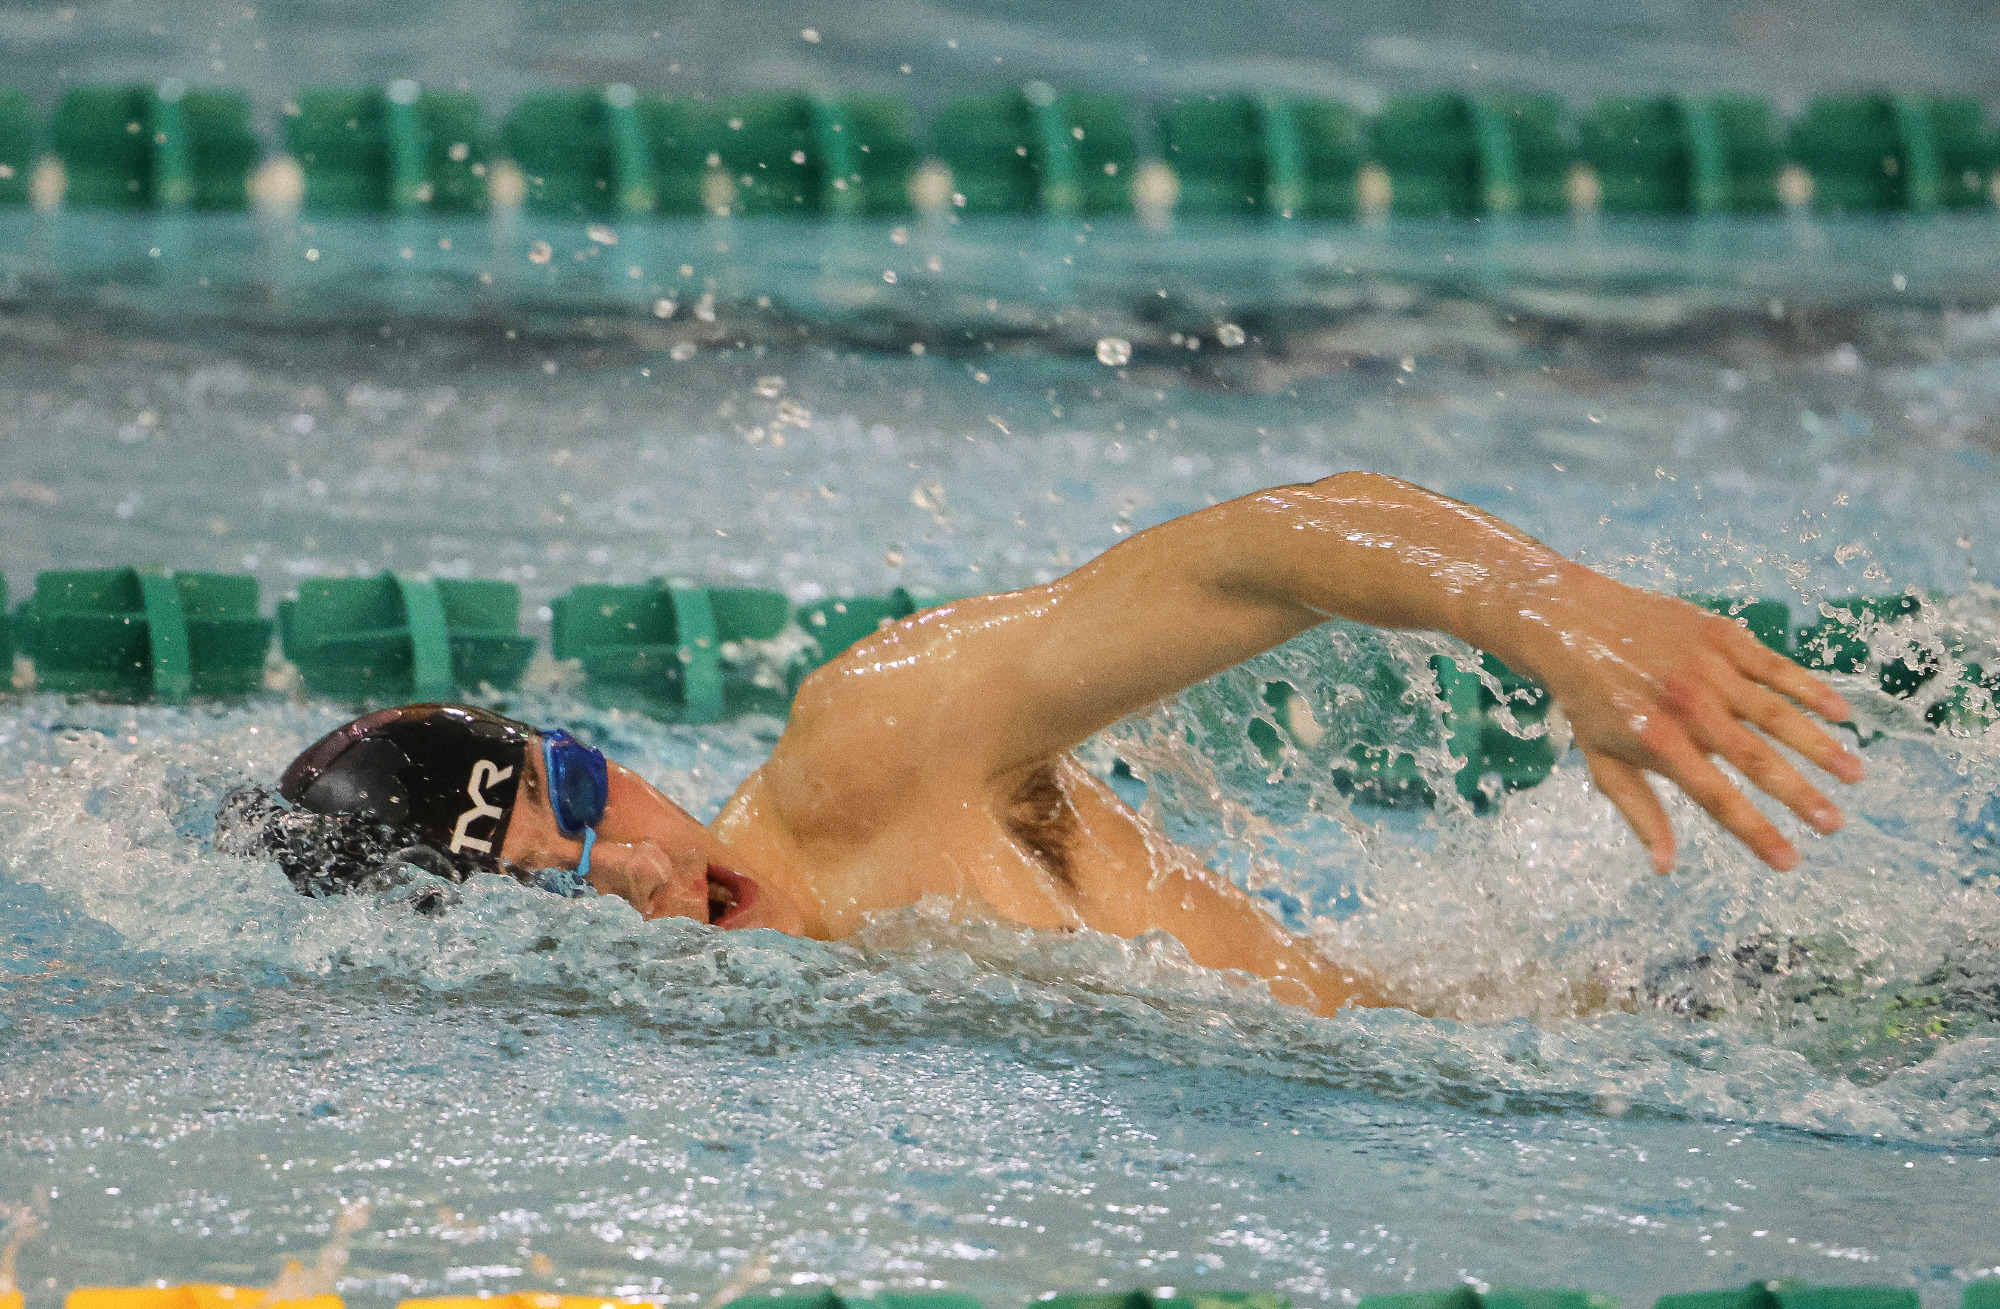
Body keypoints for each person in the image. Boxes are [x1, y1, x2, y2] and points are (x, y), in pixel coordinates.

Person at [224, 472, 1863, 1015]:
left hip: (1696, 1020)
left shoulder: (860, 760)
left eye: (582, 792)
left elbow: (1258, 548)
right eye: (561, 893)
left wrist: (1553, 610)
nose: (650, 863)